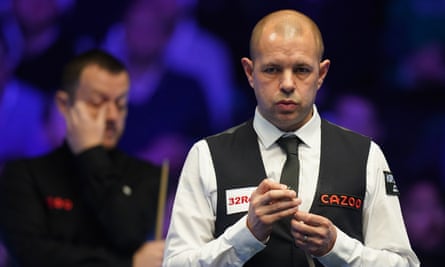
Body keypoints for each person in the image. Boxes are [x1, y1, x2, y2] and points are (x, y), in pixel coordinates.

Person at [163, 9, 419, 267]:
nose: (287, 83)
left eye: (301, 70)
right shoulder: (206, 155)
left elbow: (404, 264)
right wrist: (246, 235)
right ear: (250, 72)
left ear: (321, 74)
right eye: (272, 69)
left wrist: (337, 248)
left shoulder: (365, 155)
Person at [0, 49, 165, 267]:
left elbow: (128, 236)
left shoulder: (146, 175)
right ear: (63, 105)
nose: (112, 116)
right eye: (97, 103)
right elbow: (32, 256)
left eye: (121, 105)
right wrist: (127, 263)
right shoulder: (22, 175)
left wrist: (91, 155)